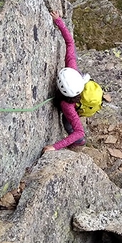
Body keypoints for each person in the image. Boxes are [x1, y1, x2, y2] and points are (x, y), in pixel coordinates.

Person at [43, 11, 89, 153]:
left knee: (67, 123)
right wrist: (58, 21)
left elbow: (79, 131)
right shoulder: (72, 67)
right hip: (78, 96)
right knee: (68, 122)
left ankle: (79, 144)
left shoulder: (68, 107)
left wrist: (54, 147)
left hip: (74, 107)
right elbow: (69, 42)